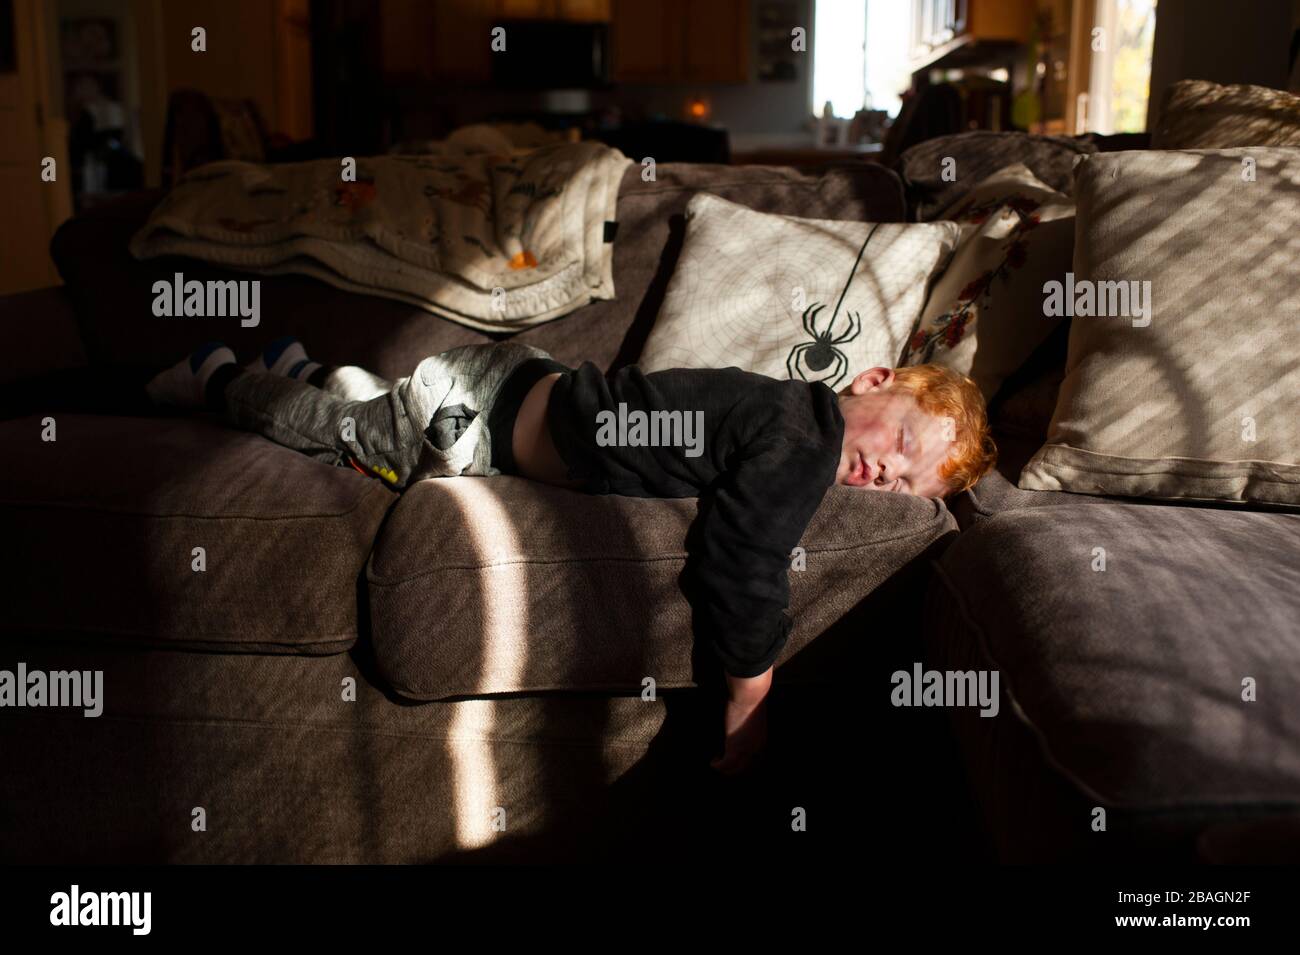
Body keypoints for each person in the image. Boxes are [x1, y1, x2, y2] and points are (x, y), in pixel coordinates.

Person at [147, 336, 996, 775]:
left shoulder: (779, 411)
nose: (886, 470)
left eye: (902, 485)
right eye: (905, 442)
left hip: (517, 384)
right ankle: (222, 376)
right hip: (474, 420)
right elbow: (741, 559)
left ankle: (322, 371)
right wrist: (752, 696)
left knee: (379, 421)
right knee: (350, 445)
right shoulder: (804, 436)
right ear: (875, 379)